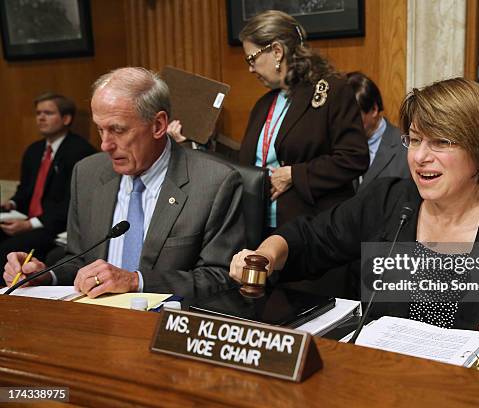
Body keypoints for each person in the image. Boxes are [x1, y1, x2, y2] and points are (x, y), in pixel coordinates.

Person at [230, 78, 479, 351]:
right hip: (385, 378)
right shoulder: (389, 201)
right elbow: (310, 237)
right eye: (414, 139)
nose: (420, 157)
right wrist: (265, 253)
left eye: (440, 142)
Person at [3, 67, 246, 299]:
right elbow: (80, 259)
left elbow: (221, 278)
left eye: (117, 130)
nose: (105, 145)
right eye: (100, 130)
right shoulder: (87, 173)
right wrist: (45, 276)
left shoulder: (214, 183)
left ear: (158, 125)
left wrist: (136, 281)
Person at [238, 10, 369, 232]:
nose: (250, 68)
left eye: (252, 58)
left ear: (277, 51)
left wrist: (295, 175)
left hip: (314, 232)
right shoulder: (263, 104)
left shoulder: (332, 91)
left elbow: (354, 158)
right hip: (262, 227)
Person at [0, 93, 96, 264]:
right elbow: (25, 190)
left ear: (66, 118)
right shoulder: (34, 150)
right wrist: (12, 204)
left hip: (55, 226)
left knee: (9, 249)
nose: (41, 118)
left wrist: (30, 225)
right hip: (26, 219)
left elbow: (73, 203)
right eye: (38, 113)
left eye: (48, 113)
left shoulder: (80, 152)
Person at [347, 71, 410, 189]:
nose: (345, 123)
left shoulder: (405, 147)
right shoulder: (339, 145)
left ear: (374, 110)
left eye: (352, 116)